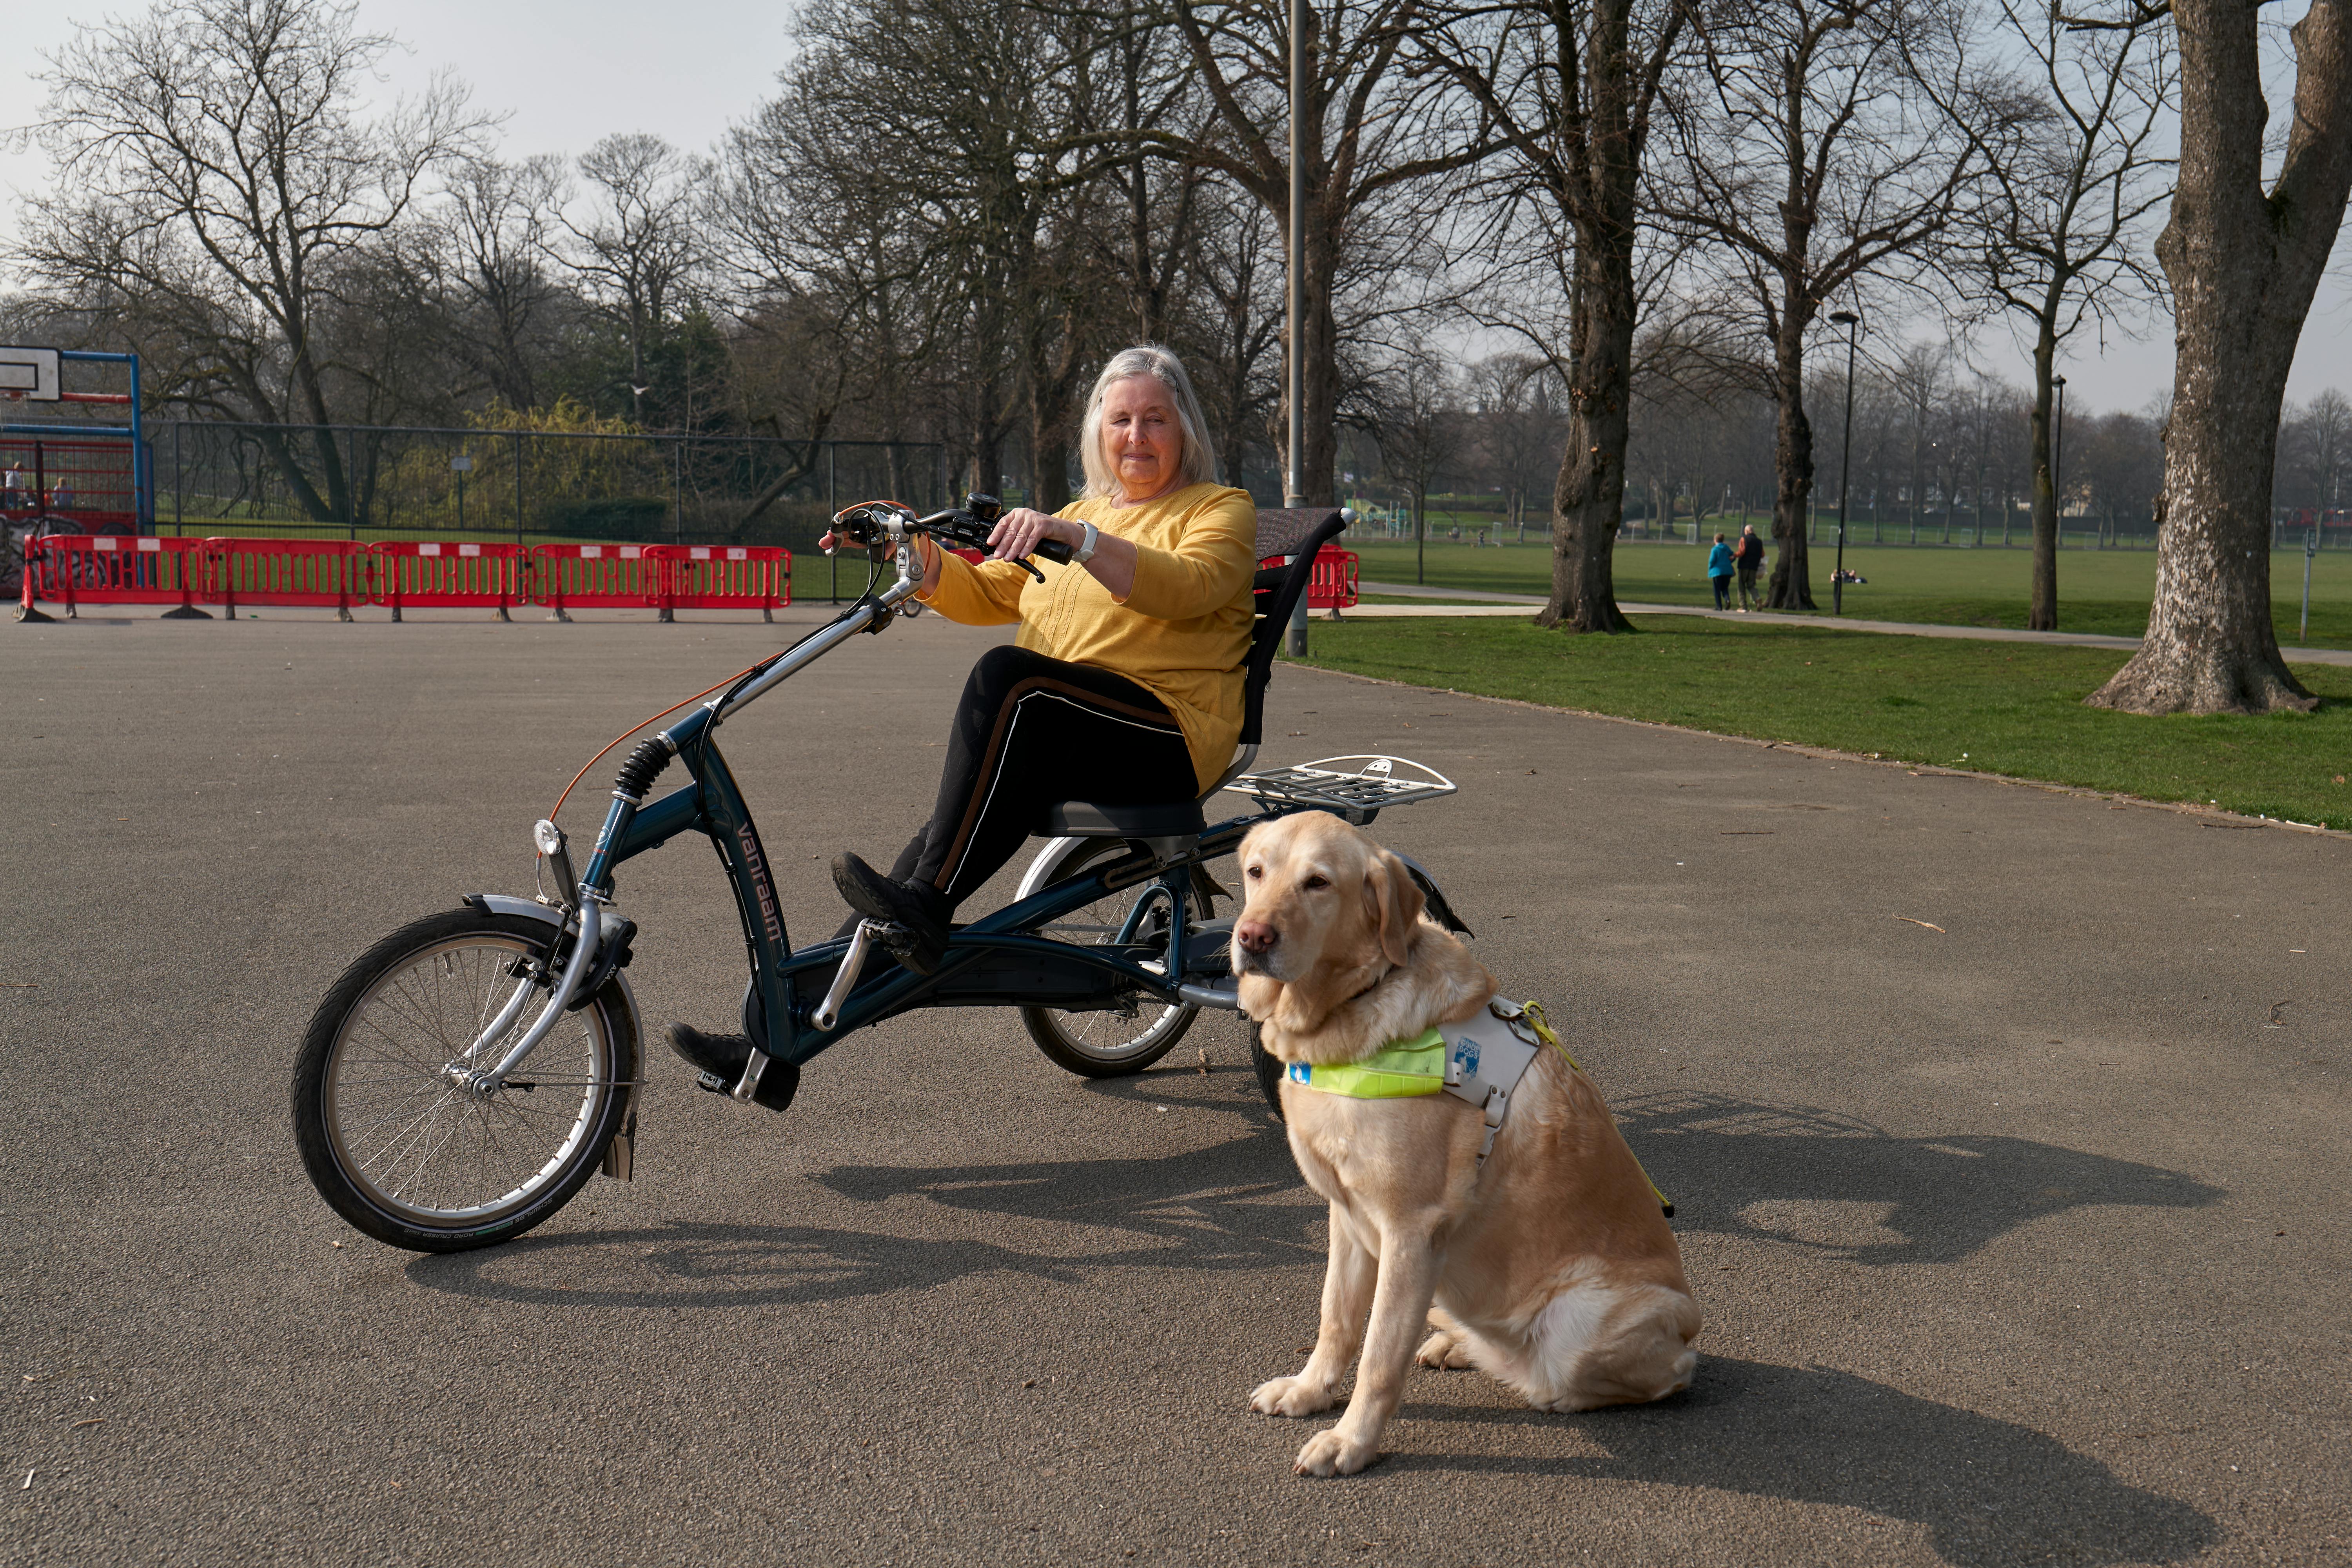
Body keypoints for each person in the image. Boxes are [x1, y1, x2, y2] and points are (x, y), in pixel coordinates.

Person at [668, 345, 1259, 1081]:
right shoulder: (1081, 513)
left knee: (1010, 684)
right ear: (1098, 434)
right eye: (1121, 421)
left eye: (1154, 420)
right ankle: (777, 1040)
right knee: (931, 850)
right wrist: (910, 547)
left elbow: (1186, 587)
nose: (1135, 436)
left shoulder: (1218, 510)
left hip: (1164, 735)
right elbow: (990, 593)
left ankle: (919, 910)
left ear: (1186, 431)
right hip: (1063, 729)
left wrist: (1082, 540)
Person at [1735, 523, 1765, 610]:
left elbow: (1742, 552)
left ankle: (1743, 606)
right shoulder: (1759, 542)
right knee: (1751, 585)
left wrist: (1734, 555)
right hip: (1754, 567)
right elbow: (1763, 555)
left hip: (1744, 566)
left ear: (1747, 531)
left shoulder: (1744, 539)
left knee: (1741, 586)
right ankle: (1757, 598)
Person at [1706, 531, 1735, 610]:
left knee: (1717, 589)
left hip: (1717, 572)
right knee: (1725, 588)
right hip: (1728, 571)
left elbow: (1712, 560)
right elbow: (1733, 556)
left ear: (1716, 540)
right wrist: (1729, 562)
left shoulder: (1715, 550)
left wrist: (1710, 568)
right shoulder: (1727, 548)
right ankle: (1727, 600)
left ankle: (1719, 606)